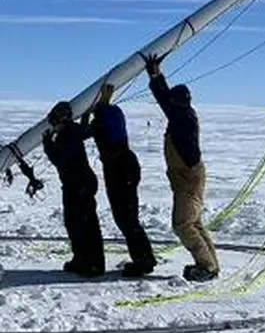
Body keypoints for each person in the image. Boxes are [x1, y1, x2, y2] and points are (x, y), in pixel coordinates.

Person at [145, 56, 219, 282]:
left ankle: (206, 267)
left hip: (189, 178)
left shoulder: (182, 118)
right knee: (194, 223)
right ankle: (210, 265)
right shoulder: (184, 113)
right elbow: (166, 101)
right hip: (190, 177)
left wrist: (156, 76)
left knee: (183, 224)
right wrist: (156, 75)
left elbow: (164, 101)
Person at [82, 84, 156, 279]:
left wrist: (88, 113)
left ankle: (144, 261)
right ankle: (144, 258)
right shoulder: (111, 115)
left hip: (121, 169)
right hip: (121, 167)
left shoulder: (108, 117)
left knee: (127, 217)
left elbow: (84, 133)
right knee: (125, 217)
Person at [42, 101, 105, 277]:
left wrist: (48, 147)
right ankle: (83, 259)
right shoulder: (73, 131)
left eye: (55, 122)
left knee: (84, 224)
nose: (54, 126)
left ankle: (92, 263)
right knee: (77, 223)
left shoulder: (67, 135)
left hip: (78, 184)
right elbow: (85, 131)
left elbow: (62, 162)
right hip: (78, 183)